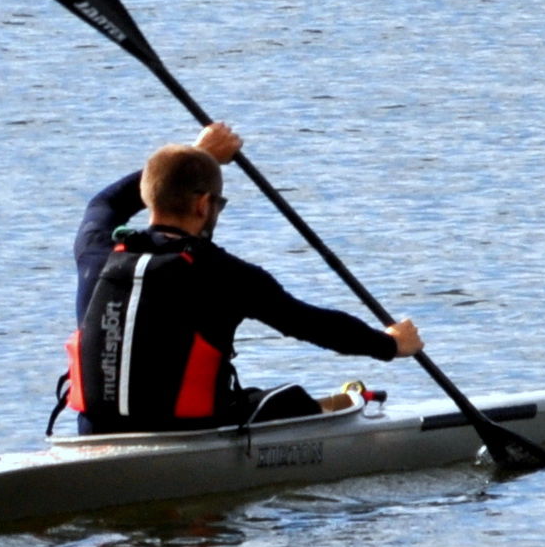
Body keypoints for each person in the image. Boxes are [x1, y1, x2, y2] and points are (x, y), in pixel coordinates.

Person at [59, 120, 420, 435]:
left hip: (97, 434)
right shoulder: (225, 273)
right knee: (289, 398)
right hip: (189, 436)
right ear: (203, 205)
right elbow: (313, 325)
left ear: (148, 196)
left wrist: (199, 152)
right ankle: (343, 406)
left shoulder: (96, 252)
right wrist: (389, 345)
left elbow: (104, 204)